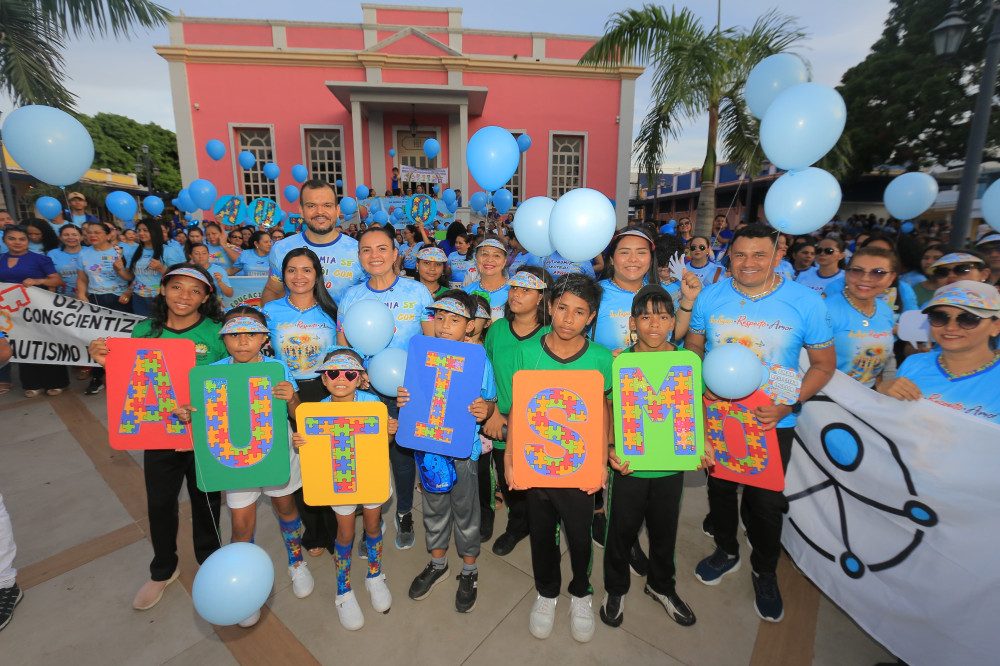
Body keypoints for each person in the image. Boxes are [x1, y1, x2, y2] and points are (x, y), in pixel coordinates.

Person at [687, 224, 836, 623]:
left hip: (773, 419)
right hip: (718, 413)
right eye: (739, 255)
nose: (748, 263)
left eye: (759, 255)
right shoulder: (711, 296)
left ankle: (764, 570)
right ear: (728, 255)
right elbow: (695, 346)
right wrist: (705, 381)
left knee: (767, 503)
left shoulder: (805, 302)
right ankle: (726, 551)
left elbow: (823, 366)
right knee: (719, 488)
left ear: (777, 256)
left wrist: (789, 404)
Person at [87, 264, 228, 611]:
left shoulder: (217, 332)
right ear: (162, 289)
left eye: (195, 291)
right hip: (159, 435)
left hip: (204, 437)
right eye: (177, 287)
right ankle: (163, 569)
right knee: (160, 505)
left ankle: (212, 566)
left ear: (207, 297)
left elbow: (231, 379)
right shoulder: (144, 331)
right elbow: (131, 379)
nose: (185, 296)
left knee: (207, 505)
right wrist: (105, 361)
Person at [173, 307, 314, 628]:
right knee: (240, 525)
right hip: (235, 462)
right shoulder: (211, 371)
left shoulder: (278, 368)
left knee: (287, 508)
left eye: (250, 334)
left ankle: (296, 562)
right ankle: (244, 586)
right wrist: (186, 413)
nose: (242, 342)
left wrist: (291, 398)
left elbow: (297, 415)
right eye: (234, 334)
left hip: (278, 453)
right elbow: (201, 414)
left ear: (264, 338)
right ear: (224, 338)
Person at [506, 273, 612, 644]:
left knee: (581, 538)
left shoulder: (600, 358)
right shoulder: (527, 351)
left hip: (580, 472)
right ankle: (547, 592)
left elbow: (603, 413)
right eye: (562, 308)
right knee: (542, 534)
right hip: (537, 467)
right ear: (550, 307)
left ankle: (580, 593)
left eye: (579, 312)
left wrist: (601, 462)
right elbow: (518, 409)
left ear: (592, 316)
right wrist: (510, 460)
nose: (569, 319)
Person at [601, 284, 714, 630]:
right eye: (645, 316)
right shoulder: (620, 361)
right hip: (630, 466)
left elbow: (696, 405)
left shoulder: (686, 361)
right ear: (632, 322)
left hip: (670, 465)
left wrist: (703, 441)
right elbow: (607, 408)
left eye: (662, 316)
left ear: (673, 322)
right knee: (621, 530)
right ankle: (615, 588)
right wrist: (608, 449)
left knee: (665, 531)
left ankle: (661, 586)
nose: (653, 324)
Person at [399, 291, 496, 614]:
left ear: (469, 325)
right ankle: (438, 563)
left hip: (462, 450)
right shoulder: (421, 353)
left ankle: (469, 571)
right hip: (429, 447)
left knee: (466, 512)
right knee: (434, 508)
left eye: (454, 320)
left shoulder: (479, 360)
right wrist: (404, 400)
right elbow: (414, 394)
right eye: (439, 317)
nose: (444, 325)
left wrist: (486, 408)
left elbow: (490, 401)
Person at [337, 226, 435, 550]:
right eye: (366, 249)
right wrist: (356, 376)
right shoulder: (351, 297)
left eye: (382, 249)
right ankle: (372, 522)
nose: (374, 255)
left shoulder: (418, 292)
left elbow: (431, 344)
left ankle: (404, 513)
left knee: (402, 459)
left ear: (396, 254)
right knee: (367, 459)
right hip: (364, 391)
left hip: (407, 392)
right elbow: (343, 349)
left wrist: (420, 386)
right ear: (359, 256)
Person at [291, 349, 397, 630]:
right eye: (333, 373)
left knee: (373, 526)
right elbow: (314, 454)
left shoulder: (373, 403)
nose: (341, 379)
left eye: (349, 373)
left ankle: (374, 576)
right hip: (339, 478)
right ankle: (344, 590)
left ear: (359, 378)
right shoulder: (315, 412)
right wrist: (302, 442)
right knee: (346, 532)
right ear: (323, 380)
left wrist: (389, 432)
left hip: (371, 474)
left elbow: (382, 446)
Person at [263, 248, 344, 557]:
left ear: (317, 275)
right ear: (282, 276)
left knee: (328, 463)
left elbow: (341, 354)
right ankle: (314, 532)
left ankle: (336, 529)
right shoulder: (269, 312)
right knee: (301, 465)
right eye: (292, 270)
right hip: (285, 394)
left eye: (306, 270)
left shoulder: (331, 311)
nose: (299, 276)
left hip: (325, 391)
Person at [481, 267, 553, 557]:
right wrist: (494, 410)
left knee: (538, 482)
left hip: (540, 424)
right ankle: (516, 525)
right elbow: (485, 371)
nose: (516, 294)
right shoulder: (497, 329)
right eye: (513, 288)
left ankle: (539, 524)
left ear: (541, 297)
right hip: (501, 423)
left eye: (526, 289)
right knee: (508, 479)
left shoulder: (553, 333)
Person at [879, 280, 1000, 424]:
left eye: (968, 319)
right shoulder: (914, 363)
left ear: (995, 327)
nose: (950, 327)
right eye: (940, 317)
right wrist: (882, 393)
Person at [261, 179, 364, 307]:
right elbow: (273, 291)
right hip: (294, 326)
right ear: (301, 210)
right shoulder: (281, 249)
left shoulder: (359, 251)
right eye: (311, 206)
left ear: (337, 210)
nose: (320, 212)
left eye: (327, 205)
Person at [0, 225, 67, 396]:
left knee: (47, 343)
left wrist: (38, 281)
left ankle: (55, 381)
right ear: (4, 240)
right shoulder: (0, 259)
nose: (17, 242)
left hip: (37, 309)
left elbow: (56, 280)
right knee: (22, 344)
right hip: (11, 313)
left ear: (28, 241)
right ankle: (32, 383)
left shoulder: (39, 259)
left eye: (22, 239)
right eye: (12, 238)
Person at [826, 247, 897, 387]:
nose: (865, 278)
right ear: (846, 273)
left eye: (878, 273)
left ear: (891, 279)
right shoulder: (825, 310)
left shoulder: (885, 310)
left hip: (867, 399)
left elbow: (887, 359)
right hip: (825, 398)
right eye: (857, 271)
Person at [128, 219, 185, 317]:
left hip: (160, 297)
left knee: (161, 328)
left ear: (155, 231)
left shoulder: (168, 251)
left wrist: (161, 268)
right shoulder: (134, 251)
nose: (141, 233)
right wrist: (119, 269)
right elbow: (132, 277)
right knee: (144, 328)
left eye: (145, 230)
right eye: (139, 230)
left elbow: (179, 276)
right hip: (138, 297)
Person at [463, 237, 510, 320]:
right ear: (476, 259)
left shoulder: (514, 291)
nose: (489, 260)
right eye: (484, 254)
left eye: (496, 255)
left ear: (504, 261)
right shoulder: (465, 293)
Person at [47, 224, 84, 298]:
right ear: (60, 237)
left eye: (74, 234)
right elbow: (51, 278)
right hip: (64, 299)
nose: (70, 237)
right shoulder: (52, 254)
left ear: (81, 237)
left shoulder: (90, 251)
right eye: (66, 235)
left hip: (90, 297)